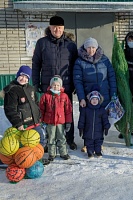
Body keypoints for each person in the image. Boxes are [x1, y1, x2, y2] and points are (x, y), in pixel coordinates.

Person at [32, 16, 78, 150]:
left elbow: (76, 66)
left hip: (66, 86)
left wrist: (74, 84)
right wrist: (36, 83)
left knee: (67, 112)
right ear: (50, 27)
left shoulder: (70, 44)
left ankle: (69, 139)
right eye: (54, 27)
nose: (57, 29)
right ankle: (49, 141)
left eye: (60, 27)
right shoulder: (42, 43)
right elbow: (36, 64)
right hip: (48, 87)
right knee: (48, 114)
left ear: (63, 28)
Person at [73, 37, 116, 151]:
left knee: (100, 120)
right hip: (88, 97)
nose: (91, 50)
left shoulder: (105, 60)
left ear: (96, 48)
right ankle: (87, 144)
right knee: (87, 120)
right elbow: (78, 81)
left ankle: (98, 142)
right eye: (88, 47)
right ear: (85, 48)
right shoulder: (79, 62)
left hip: (103, 96)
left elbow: (111, 77)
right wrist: (81, 98)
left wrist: (113, 94)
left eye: (93, 47)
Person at [2, 66, 46, 150]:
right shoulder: (12, 90)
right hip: (23, 125)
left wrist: (39, 116)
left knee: (40, 140)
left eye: (26, 77)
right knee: (24, 145)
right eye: (21, 76)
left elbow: (36, 103)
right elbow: (10, 109)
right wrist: (18, 123)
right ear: (17, 75)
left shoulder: (30, 88)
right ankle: (24, 160)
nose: (23, 79)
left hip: (35, 122)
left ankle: (37, 158)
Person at [39, 75, 72, 161]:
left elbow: (68, 110)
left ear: (61, 86)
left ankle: (63, 153)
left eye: (58, 85)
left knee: (61, 137)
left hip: (61, 122)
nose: (56, 87)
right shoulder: (46, 96)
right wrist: (41, 121)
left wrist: (68, 122)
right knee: (51, 138)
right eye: (54, 85)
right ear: (50, 85)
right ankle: (52, 154)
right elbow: (41, 109)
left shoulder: (64, 96)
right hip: (50, 122)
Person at [78, 85, 110, 158]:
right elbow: (82, 119)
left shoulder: (102, 110)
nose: (94, 101)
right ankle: (90, 152)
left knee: (98, 141)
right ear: (90, 100)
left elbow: (105, 119)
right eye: (93, 99)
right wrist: (80, 127)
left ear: (99, 100)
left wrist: (106, 127)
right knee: (89, 142)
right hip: (88, 130)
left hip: (98, 131)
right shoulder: (85, 110)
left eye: (96, 99)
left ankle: (98, 152)